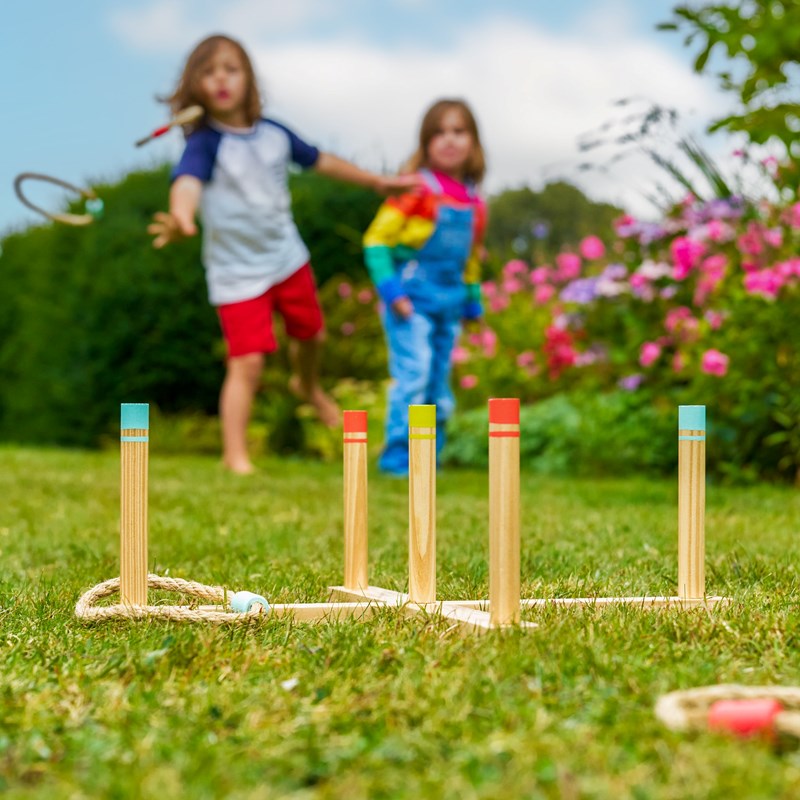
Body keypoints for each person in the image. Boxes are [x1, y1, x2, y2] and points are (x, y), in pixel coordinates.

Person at [148, 34, 417, 474]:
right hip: (235, 272)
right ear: (194, 84)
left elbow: (323, 161)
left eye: (231, 69)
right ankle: (235, 455)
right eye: (209, 71)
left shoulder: (274, 134)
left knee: (312, 335)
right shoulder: (205, 143)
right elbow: (187, 183)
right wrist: (181, 217)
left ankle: (307, 385)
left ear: (248, 80)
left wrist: (377, 183)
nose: (221, 79)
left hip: (286, 258)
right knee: (247, 362)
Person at [363, 99, 487, 476]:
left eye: (458, 131)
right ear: (426, 142)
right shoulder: (415, 191)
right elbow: (376, 241)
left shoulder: (475, 203)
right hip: (410, 300)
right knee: (414, 374)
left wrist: (472, 302)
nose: (449, 140)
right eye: (439, 132)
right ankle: (398, 459)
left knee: (438, 382)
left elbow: (471, 257)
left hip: (449, 302)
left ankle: (429, 458)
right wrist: (392, 293)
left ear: (473, 141)